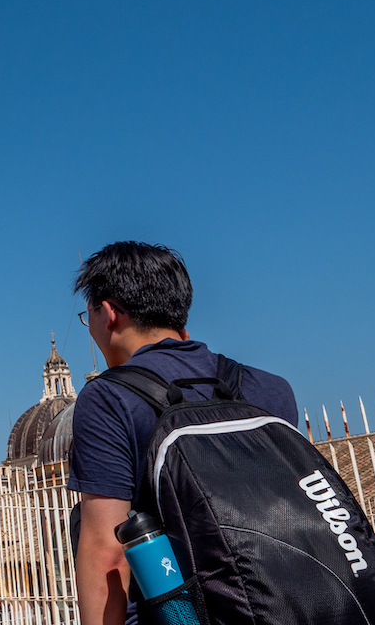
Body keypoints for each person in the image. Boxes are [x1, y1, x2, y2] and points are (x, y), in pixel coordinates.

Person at [68, 242, 297, 625]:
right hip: (289, 605)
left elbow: (108, 551)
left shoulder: (109, 397)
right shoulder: (270, 388)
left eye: (86, 315)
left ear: (108, 313)